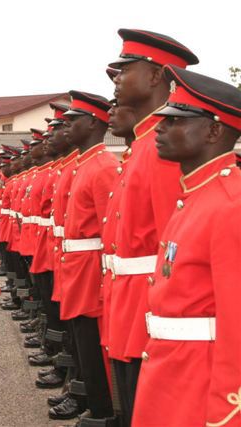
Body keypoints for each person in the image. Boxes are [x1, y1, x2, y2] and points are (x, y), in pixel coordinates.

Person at [132, 66, 241, 427]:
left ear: (213, 130)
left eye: (176, 121)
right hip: (172, 370)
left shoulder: (231, 204)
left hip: (200, 381)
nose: (159, 128)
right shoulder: (194, 195)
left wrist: (229, 408)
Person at [106, 29, 199, 426]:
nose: (115, 79)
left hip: (148, 305)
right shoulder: (143, 144)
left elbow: (171, 245)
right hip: (130, 301)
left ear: (157, 76)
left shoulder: (162, 148)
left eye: (125, 70)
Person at [59, 91, 118, 423]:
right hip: (77, 265)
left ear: (94, 123)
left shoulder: (104, 166)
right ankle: (92, 402)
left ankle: (103, 410)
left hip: (92, 268)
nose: (67, 127)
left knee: (93, 343)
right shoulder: (86, 164)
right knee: (82, 338)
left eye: (73, 120)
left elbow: (111, 230)